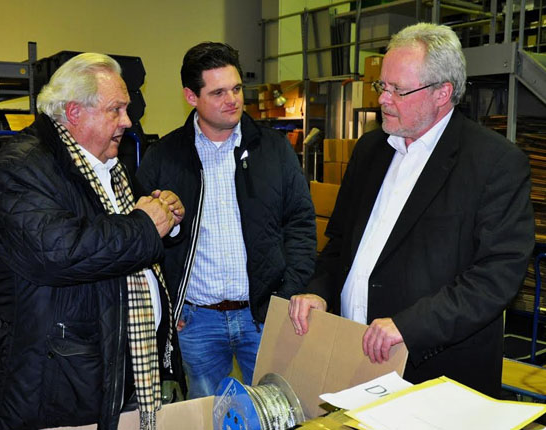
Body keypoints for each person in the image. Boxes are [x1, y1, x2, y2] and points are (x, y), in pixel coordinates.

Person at [289, 22, 534, 398]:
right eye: (381, 86)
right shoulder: (371, 151)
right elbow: (339, 243)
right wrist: (319, 290)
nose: (383, 99)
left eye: (398, 90)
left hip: (434, 373)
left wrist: (410, 326)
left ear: (443, 93)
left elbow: (496, 276)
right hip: (353, 358)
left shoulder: (493, 163)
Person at [0, 53, 186, 430]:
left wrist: (166, 219)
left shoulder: (108, 166)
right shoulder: (17, 170)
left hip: (115, 370)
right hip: (58, 384)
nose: (128, 121)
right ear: (74, 113)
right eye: (116, 110)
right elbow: (59, 253)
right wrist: (144, 225)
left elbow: (129, 244)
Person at [136, 42, 317, 398]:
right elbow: (142, 240)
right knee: (209, 418)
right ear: (191, 96)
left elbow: (300, 224)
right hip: (197, 323)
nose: (232, 99)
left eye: (236, 89)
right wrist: (168, 304)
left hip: (263, 316)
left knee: (277, 413)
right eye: (218, 92)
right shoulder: (164, 158)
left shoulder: (273, 150)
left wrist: (288, 294)